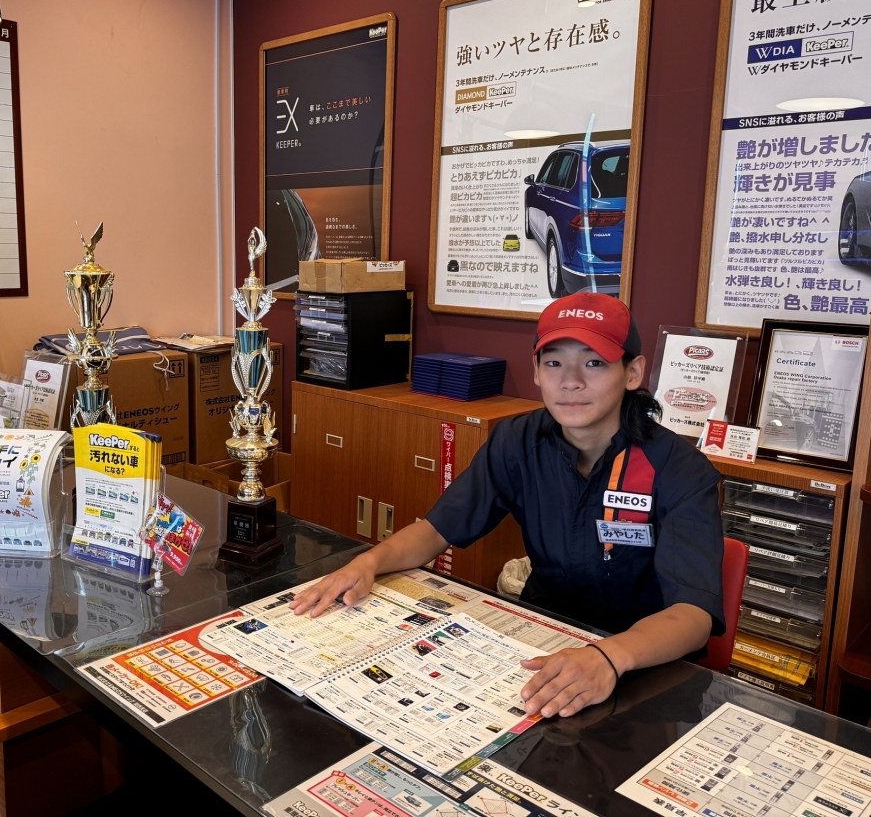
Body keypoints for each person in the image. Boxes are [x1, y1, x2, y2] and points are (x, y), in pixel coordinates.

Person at [289, 292, 724, 720]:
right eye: (554, 362)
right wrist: (368, 562)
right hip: (540, 637)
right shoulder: (517, 441)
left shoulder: (680, 470)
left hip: (639, 665)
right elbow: (440, 528)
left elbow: (693, 615)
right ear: (535, 370)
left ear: (632, 372)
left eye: (594, 362)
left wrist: (609, 657)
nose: (570, 381)